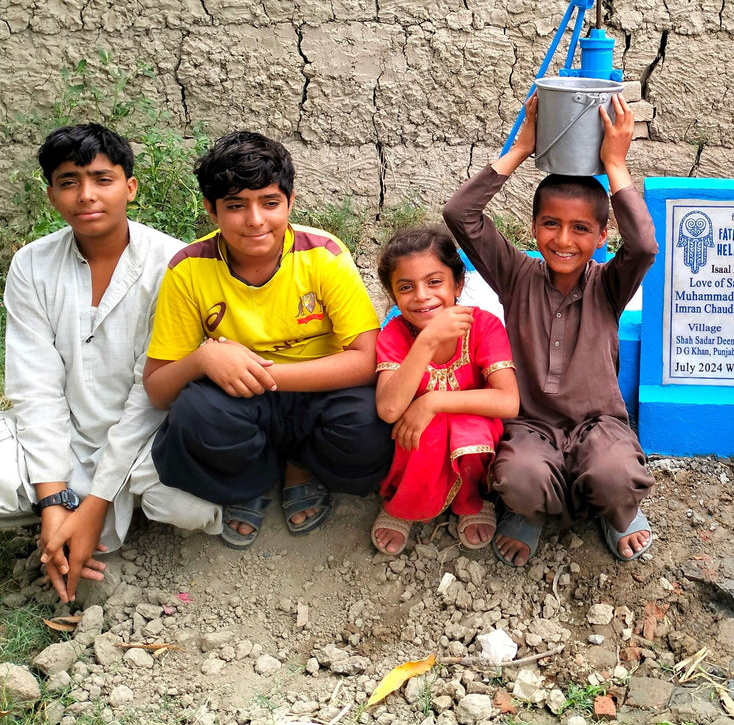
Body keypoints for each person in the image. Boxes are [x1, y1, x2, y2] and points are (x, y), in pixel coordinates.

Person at [1, 124, 221, 602]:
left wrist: (96, 502)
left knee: (188, 507)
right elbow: (35, 387)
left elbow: (150, 398)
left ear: (130, 188)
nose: (86, 195)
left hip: (145, 438)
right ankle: (66, 512)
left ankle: (107, 506)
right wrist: (55, 501)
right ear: (51, 194)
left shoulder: (172, 264)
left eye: (102, 179)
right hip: (65, 434)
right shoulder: (32, 265)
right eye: (68, 181)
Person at [143, 131, 393, 548]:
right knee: (194, 419)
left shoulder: (323, 256)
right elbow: (157, 389)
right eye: (236, 206)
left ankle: (299, 465)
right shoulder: (188, 269)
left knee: (373, 424)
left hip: (318, 389)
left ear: (290, 203)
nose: (255, 220)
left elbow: (368, 360)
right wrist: (204, 358)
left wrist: (265, 374)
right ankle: (251, 481)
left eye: (270, 203)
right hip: (237, 399)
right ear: (211, 210)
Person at [442, 93, 658, 566]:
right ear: (534, 227)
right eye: (551, 224)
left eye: (581, 228)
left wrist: (615, 164)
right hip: (530, 426)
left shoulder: (607, 286)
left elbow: (643, 246)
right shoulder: (516, 276)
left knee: (617, 477)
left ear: (603, 238)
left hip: (598, 425)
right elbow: (460, 215)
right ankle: (535, 511)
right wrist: (521, 148)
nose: (563, 240)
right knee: (519, 479)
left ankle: (613, 510)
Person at [371, 227, 519, 554]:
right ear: (394, 296)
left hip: (472, 429)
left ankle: (472, 499)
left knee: (463, 430)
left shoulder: (483, 325)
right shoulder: (395, 333)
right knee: (419, 429)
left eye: (434, 282)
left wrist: (434, 401)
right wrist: (426, 341)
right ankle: (404, 504)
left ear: (458, 285)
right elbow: (389, 410)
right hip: (418, 436)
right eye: (406, 287)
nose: (422, 296)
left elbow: (509, 401)